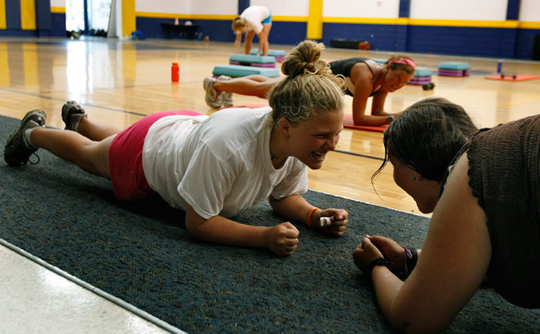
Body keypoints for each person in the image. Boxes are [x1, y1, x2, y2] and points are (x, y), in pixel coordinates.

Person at [4, 40, 349, 257]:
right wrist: (263, 237)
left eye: (336, 134)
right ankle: (34, 133)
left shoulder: (293, 141)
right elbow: (199, 223)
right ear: (286, 127)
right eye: (323, 136)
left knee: (115, 143)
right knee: (90, 158)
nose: (331, 145)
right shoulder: (229, 148)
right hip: (151, 151)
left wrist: (312, 215)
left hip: (183, 132)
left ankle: (80, 121)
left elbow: (282, 196)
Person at [352, 97, 540, 333]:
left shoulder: (470, 169)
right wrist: (411, 258)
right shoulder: (501, 156)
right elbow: (495, 250)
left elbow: (412, 320)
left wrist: (376, 266)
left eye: (395, 166)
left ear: (413, 169)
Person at [203, 56, 416, 126]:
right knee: (265, 91)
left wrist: (397, 115)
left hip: (317, 81)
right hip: (311, 78)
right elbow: (360, 119)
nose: (398, 85)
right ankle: (216, 85)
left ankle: (224, 82)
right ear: (388, 67)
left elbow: (378, 113)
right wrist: (390, 118)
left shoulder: (383, 83)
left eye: (404, 83)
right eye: (398, 78)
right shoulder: (366, 76)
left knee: (268, 84)